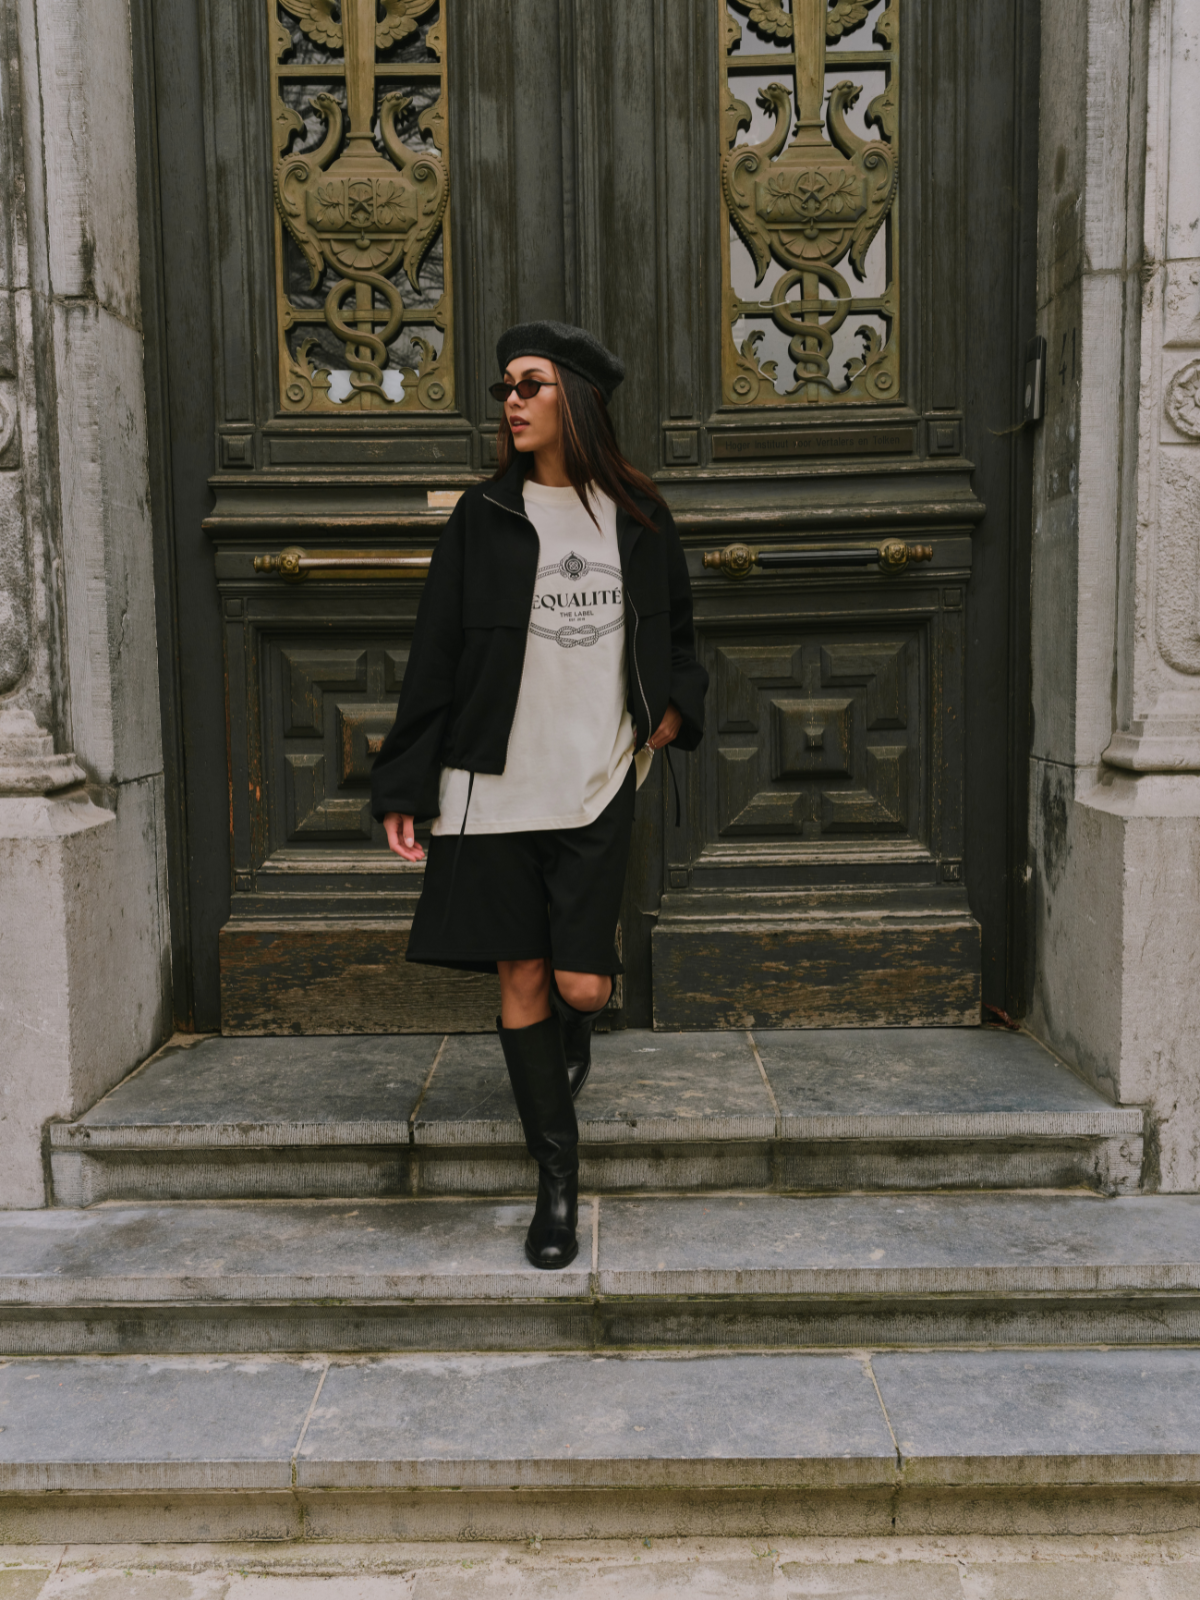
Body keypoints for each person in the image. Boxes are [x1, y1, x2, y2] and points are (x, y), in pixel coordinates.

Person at [371, 321, 708, 1270]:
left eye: (530, 385)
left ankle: (574, 1035)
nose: (511, 402)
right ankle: (556, 1181)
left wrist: (675, 706)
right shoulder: (482, 516)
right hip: (494, 787)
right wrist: (404, 783)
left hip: (596, 778)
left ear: (578, 400)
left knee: (582, 985)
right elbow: (434, 655)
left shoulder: (638, 515)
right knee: (521, 976)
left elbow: (681, 632)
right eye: (505, 388)